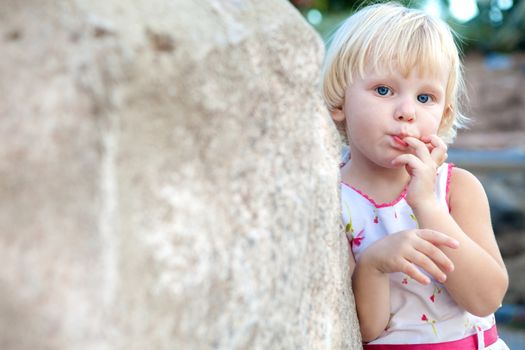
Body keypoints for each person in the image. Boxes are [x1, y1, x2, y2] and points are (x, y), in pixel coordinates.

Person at [321, 2, 509, 349]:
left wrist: (426, 205)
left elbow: (486, 299)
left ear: (444, 113)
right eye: (383, 90)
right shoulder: (333, 200)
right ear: (339, 102)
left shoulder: (455, 189)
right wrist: (374, 265)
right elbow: (367, 330)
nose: (406, 112)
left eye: (425, 97)